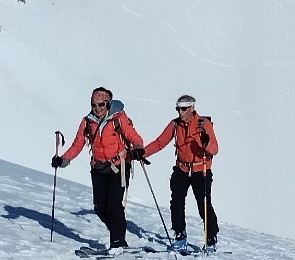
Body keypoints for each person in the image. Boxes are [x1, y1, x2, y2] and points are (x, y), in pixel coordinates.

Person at [53, 87, 146, 251]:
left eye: (101, 104)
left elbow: (134, 136)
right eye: (94, 105)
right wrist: (63, 160)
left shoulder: (119, 118)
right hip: (98, 168)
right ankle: (118, 237)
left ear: (108, 104)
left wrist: (138, 148)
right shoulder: (87, 121)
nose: (97, 108)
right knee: (99, 208)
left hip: (119, 166)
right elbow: (78, 144)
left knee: (114, 206)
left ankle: (117, 242)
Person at [144, 93, 220, 250]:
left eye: (184, 109)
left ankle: (211, 238)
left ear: (192, 108)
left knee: (203, 204)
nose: (180, 112)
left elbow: (215, 149)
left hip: (201, 169)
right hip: (181, 168)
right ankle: (180, 234)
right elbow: (160, 143)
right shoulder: (174, 124)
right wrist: (141, 153)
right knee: (177, 202)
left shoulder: (203, 124)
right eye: (178, 109)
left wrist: (204, 143)